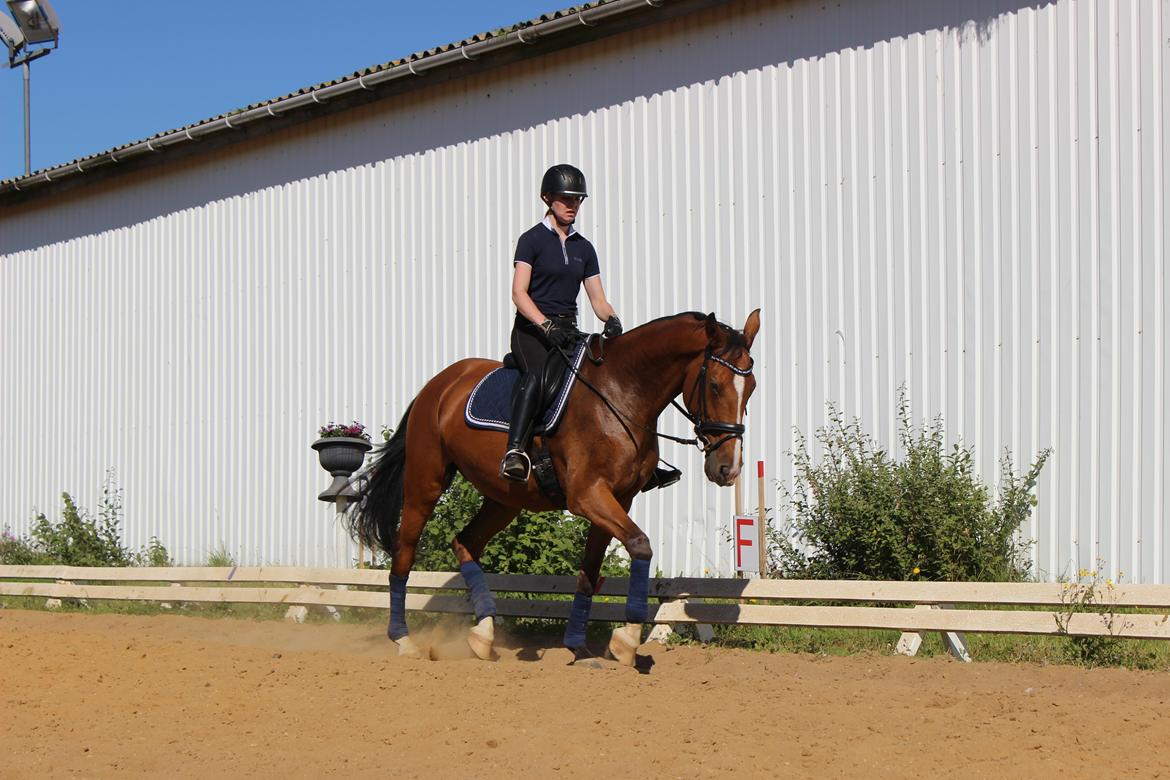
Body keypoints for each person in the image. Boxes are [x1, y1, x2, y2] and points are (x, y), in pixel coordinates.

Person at [500, 163, 622, 481]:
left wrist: (612, 320)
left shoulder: (585, 248)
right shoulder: (532, 240)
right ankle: (515, 450)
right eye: (566, 199)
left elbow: (597, 299)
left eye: (577, 199)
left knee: (605, 377)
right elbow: (518, 293)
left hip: (568, 330)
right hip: (532, 331)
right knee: (537, 378)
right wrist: (545, 325)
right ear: (547, 198)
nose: (572, 205)